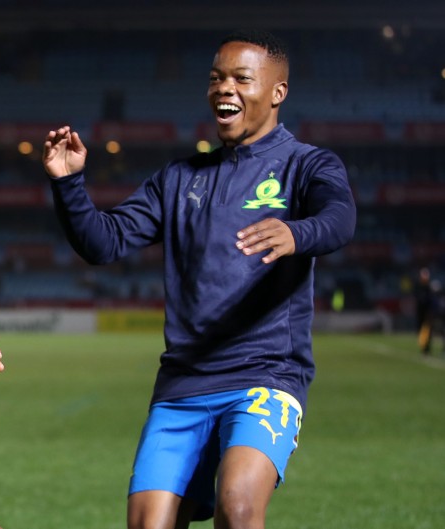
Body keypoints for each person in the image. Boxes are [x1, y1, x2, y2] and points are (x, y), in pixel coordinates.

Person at [42, 30, 356, 529]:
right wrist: (68, 183)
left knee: (237, 505)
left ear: (277, 92)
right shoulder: (179, 179)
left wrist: (297, 232)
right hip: (183, 382)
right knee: (149, 524)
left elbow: (340, 217)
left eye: (240, 78)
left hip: (265, 375)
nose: (223, 88)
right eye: (216, 78)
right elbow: (104, 242)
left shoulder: (307, 165)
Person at [416, 266, 433, 354]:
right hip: (420, 313)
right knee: (421, 330)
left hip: (427, 313)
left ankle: (426, 348)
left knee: (427, 330)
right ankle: (423, 347)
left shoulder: (429, 288)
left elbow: (430, 301)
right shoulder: (419, 287)